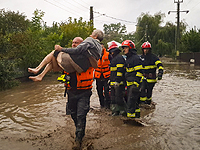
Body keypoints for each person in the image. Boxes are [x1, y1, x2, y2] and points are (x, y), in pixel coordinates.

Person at [28, 29, 103, 81]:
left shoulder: (90, 40)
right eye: (73, 43)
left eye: (92, 33)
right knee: (53, 57)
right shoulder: (100, 48)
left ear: (95, 36)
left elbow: (76, 50)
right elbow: (56, 69)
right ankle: (40, 75)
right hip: (80, 69)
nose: (90, 34)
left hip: (75, 64)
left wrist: (61, 49)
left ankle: (38, 69)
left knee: (55, 51)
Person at [57, 37, 84, 115]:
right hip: (70, 88)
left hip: (82, 89)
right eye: (73, 42)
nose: (74, 44)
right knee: (70, 112)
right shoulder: (67, 55)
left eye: (76, 43)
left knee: (80, 113)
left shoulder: (84, 56)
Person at [121, 40, 143, 118]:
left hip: (134, 85)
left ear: (130, 48)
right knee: (134, 103)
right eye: (123, 48)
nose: (124, 50)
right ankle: (137, 116)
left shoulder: (135, 59)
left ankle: (130, 120)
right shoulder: (128, 58)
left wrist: (136, 84)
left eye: (125, 48)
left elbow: (140, 72)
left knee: (130, 103)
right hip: (130, 84)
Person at [140, 41, 163, 106]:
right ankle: (142, 103)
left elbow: (160, 66)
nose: (145, 51)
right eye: (144, 49)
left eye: (147, 49)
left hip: (151, 78)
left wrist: (160, 73)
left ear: (149, 50)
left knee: (149, 91)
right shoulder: (141, 57)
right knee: (142, 89)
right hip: (143, 77)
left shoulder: (154, 57)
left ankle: (148, 102)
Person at [108, 41, 126, 116]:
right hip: (113, 82)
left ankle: (123, 111)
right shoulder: (114, 59)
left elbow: (120, 71)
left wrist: (117, 81)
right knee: (113, 98)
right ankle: (115, 112)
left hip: (118, 83)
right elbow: (112, 72)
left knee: (119, 98)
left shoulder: (119, 58)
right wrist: (110, 80)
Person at [94, 43, 111, 109]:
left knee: (106, 91)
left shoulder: (108, 55)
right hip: (98, 76)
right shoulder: (94, 55)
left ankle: (108, 105)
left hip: (106, 76)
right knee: (99, 91)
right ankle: (102, 105)